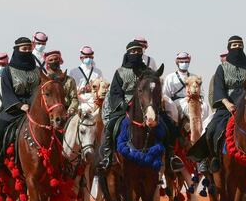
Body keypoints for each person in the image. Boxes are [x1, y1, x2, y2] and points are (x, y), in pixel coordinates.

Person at [190, 36, 246, 174]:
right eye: (234, 47)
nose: (237, 49)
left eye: (239, 46)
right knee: (211, 130)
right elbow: (219, 88)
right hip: (228, 107)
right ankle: (213, 158)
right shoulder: (221, 68)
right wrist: (226, 103)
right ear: (229, 49)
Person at [98, 41, 181, 171]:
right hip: (125, 108)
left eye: (139, 51)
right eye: (133, 51)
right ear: (128, 53)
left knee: (167, 124)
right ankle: (108, 157)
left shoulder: (148, 72)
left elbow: (154, 90)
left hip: (148, 106)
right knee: (111, 126)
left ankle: (170, 156)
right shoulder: (119, 72)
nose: (136, 53)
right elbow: (115, 92)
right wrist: (123, 104)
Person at [0, 37, 40, 186]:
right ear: (17, 50)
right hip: (13, 109)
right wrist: (19, 105)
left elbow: (39, 90)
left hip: (34, 109)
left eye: (29, 49)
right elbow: (8, 93)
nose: (27, 51)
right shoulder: (8, 71)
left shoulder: (37, 70)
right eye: (24, 49)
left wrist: (33, 104)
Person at [163, 52, 210, 124]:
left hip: (193, 99)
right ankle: (177, 127)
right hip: (177, 101)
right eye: (182, 62)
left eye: (186, 62)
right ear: (177, 62)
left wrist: (197, 98)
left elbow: (201, 93)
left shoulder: (194, 76)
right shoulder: (170, 77)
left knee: (205, 106)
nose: (184, 63)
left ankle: (203, 128)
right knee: (187, 107)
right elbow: (165, 95)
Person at [68, 46, 104, 113]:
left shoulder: (98, 72)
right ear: (81, 58)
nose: (89, 59)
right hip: (79, 102)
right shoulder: (73, 71)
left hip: (93, 102)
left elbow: (101, 87)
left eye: (90, 57)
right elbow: (70, 89)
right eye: (86, 57)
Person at [43, 50, 79, 117]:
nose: (54, 61)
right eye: (51, 60)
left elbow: (74, 99)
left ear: (60, 61)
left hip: (67, 112)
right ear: (47, 63)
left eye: (56, 59)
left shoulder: (69, 80)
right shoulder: (44, 81)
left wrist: (71, 110)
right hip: (49, 113)